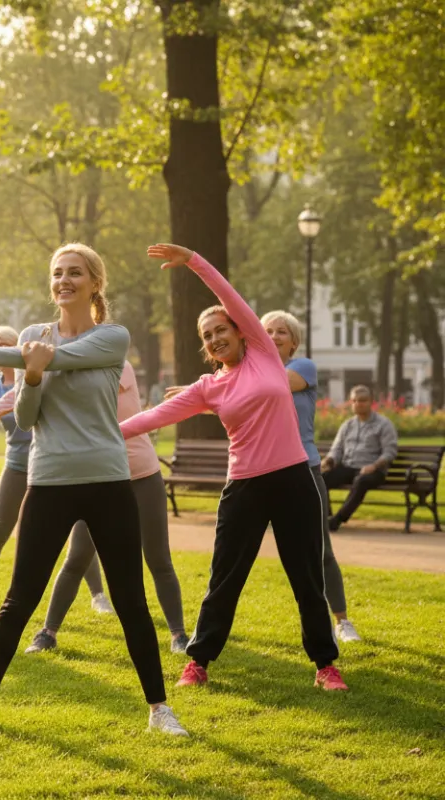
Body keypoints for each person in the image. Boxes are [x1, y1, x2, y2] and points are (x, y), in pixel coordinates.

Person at [0, 242, 189, 737]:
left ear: (95, 282)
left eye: (75, 273)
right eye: (57, 273)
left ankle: (159, 709)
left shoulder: (112, 338)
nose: (64, 280)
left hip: (109, 481)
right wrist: (27, 372)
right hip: (49, 481)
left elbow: (64, 360)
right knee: (19, 598)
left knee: (131, 600)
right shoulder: (32, 338)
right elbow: (27, 417)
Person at [120, 244, 347, 693]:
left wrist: (194, 262)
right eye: (206, 336)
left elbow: (228, 293)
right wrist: (100, 435)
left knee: (306, 576)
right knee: (225, 578)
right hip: (243, 486)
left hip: (293, 481)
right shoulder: (209, 387)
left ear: (240, 331)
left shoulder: (264, 352)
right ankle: (199, 661)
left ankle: (325, 665)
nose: (214, 338)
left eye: (220, 329)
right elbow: (150, 418)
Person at [0, 326, 109, 615]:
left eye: (3, 344)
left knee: (76, 531)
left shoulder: (40, 375)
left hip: (53, 466)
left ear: (17, 347)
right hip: (17, 465)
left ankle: (99, 596)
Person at [26, 356, 188, 655]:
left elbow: (104, 418)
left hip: (141, 474)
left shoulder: (118, 366)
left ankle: (179, 635)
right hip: (97, 479)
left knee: (158, 559)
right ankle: (47, 633)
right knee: (77, 558)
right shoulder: (67, 374)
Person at [261, 311, 362, 644]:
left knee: (321, 552)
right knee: (236, 554)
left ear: (294, 340)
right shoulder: (253, 373)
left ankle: (342, 622)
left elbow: (276, 384)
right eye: (267, 332)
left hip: (305, 471)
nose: (274, 337)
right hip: (265, 472)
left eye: (281, 332)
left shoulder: (302, 368)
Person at [321, 385, 398, 534]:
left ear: (371, 402)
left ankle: (337, 520)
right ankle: (326, 517)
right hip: (349, 466)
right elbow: (336, 450)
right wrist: (328, 461)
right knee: (321, 478)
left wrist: (374, 466)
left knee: (362, 481)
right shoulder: (347, 425)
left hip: (373, 471)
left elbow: (390, 452)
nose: (358, 404)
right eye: (354, 400)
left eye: (362, 400)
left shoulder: (384, 424)